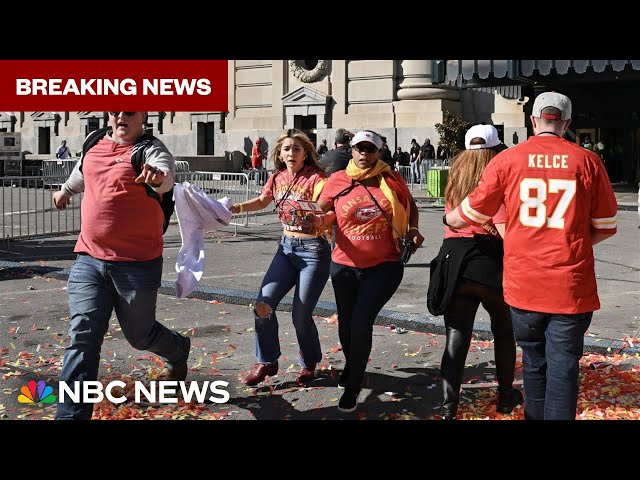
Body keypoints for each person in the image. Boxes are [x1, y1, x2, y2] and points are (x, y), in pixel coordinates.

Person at [445, 92, 618, 420]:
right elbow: (607, 226)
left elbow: (470, 211)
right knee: (563, 370)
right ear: (566, 123)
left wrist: (449, 219)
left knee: (534, 365)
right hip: (570, 286)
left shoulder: (508, 160)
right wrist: (572, 242)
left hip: (524, 285)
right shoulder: (587, 161)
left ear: (534, 120)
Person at [51, 111, 191, 420]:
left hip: (137, 265)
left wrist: (158, 178)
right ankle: (70, 416)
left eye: (129, 112)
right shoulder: (94, 143)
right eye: (115, 111)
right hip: (89, 259)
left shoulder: (150, 150)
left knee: (139, 336)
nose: (120, 117)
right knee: (83, 336)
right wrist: (63, 192)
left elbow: (165, 176)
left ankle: (178, 349)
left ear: (143, 117)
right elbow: (81, 174)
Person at [318, 129, 425, 413]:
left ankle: (353, 385)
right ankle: (354, 368)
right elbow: (323, 212)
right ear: (351, 150)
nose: (364, 154)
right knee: (346, 323)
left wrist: (412, 229)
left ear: (379, 152)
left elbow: (410, 207)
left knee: (361, 321)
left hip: (384, 265)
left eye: (370, 149)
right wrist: (315, 220)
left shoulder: (391, 178)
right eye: (359, 149)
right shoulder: (337, 180)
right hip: (344, 265)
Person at [432, 124, 522, 420]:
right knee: (504, 331)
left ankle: (449, 405)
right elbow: (503, 225)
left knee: (455, 337)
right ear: (495, 150)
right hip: (489, 260)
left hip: (456, 261)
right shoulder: (494, 176)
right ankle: (506, 396)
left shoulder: (455, 177)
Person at [230, 128, 332, 386]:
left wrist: (318, 213)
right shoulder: (277, 178)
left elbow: (324, 202)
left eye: (296, 149)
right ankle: (267, 361)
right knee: (262, 306)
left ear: (305, 152)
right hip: (286, 249)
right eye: (287, 149)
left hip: (313, 252)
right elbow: (264, 200)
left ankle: (309, 363)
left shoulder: (317, 178)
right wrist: (237, 208)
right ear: (279, 153)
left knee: (300, 315)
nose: (291, 153)